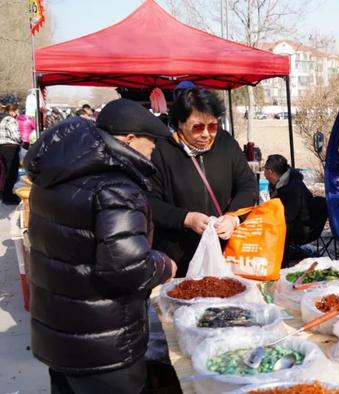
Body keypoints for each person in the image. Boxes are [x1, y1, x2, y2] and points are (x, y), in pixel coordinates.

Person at [24, 98, 177, 394]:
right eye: (151, 143)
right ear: (130, 139)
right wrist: (163, 264)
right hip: (105, 348)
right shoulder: (117, 188)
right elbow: (126, 269)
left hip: (59, 337)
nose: (154, 150)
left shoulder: (56, 173)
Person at [149, 87, 258, 277]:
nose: (207, 134)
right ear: (180, 124)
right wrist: (186, 218)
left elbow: (248, 186)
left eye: (213, 126)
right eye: (198, 127)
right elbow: (149, 202)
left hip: (223, 252)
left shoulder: (226, 143)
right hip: (178, 257)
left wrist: (233, 218)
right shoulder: (161, 150)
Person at [263, 154, 318, 267]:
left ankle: (279, 265)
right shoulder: (277, 184)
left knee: (276, 229)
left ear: (270, 171)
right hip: (291, 222)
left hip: (304, 227)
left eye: (264, 169)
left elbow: (289, 215)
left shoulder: (294, 186)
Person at [0, 103, 21, 204]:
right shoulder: (11, 120)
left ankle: (5, 195)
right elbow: (15, 135)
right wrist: (21, 140)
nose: (18, 113)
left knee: (5, 173)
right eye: (17, 111)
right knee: (11, 173)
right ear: (12, 111)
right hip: (11, 148)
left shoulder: (3, 119)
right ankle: (8, 198)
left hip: (3, 147)